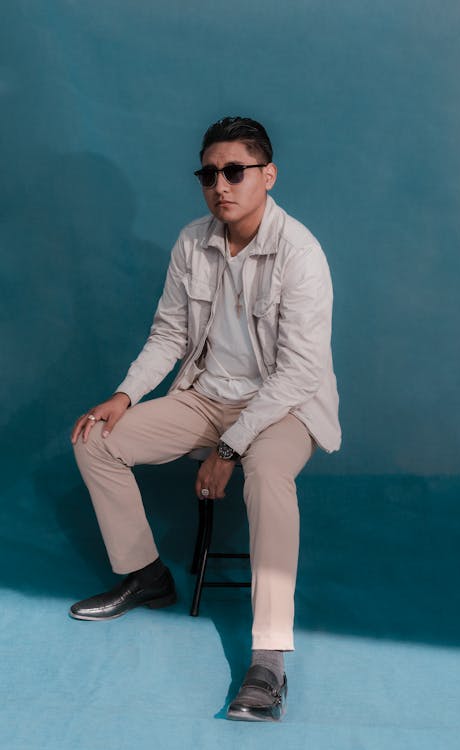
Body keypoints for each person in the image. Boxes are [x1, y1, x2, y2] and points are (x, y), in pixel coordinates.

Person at [70, 116, 341, 722]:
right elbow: (169, 334)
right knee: (96, 438)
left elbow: (298, 374)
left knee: (268, 479)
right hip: (206, 397)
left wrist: (230, 450)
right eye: (209, 173)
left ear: (267, 176)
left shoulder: (301, 254)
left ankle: (268, 659)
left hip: (283, 408)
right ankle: (145, 575)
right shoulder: (193, 241)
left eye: (235, 171)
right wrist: (126, 395)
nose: (221, 184)